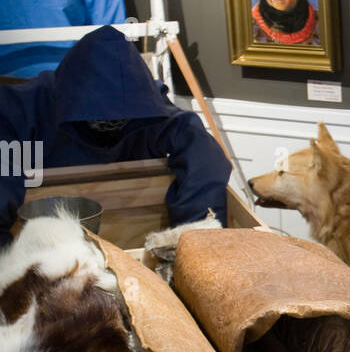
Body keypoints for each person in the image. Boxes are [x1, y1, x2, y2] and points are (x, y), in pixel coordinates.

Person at [0, 26, 231, 247]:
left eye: (120, 117)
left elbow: (202, 153)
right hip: (41, 237)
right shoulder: (22, 110)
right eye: (96, 114)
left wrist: (193, 239)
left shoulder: (150, 110)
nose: (109, 123)